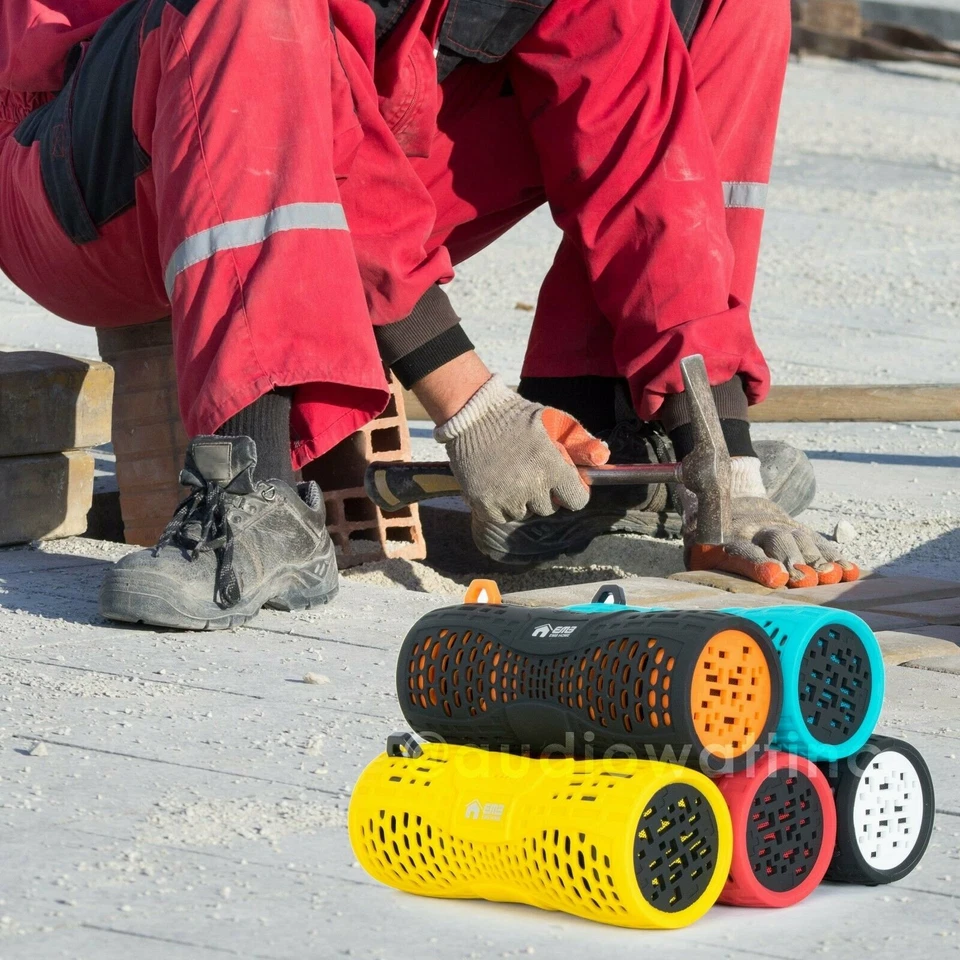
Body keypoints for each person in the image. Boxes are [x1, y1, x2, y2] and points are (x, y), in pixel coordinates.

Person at [0, 0, 857, 632]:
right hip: (91, 168)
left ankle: (622, 436)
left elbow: (641, 152)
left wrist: (723, 452)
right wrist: (471, 402)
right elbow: (324, 137)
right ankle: (246, 493)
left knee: (727, 8)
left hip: (347, 107)